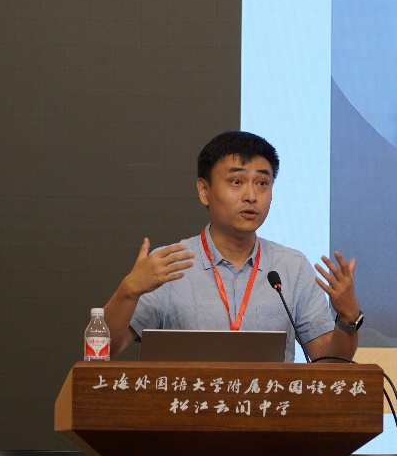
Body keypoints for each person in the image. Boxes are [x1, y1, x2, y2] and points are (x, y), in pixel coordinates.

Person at [103, 131, 364, 362]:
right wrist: (128, 291)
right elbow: (104, 349)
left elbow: (329, 363)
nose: (251, 196)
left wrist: (347, 319)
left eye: (262, 183)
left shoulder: (292, 267)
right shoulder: (169, 265)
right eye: (236, 182)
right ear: (204, 190)